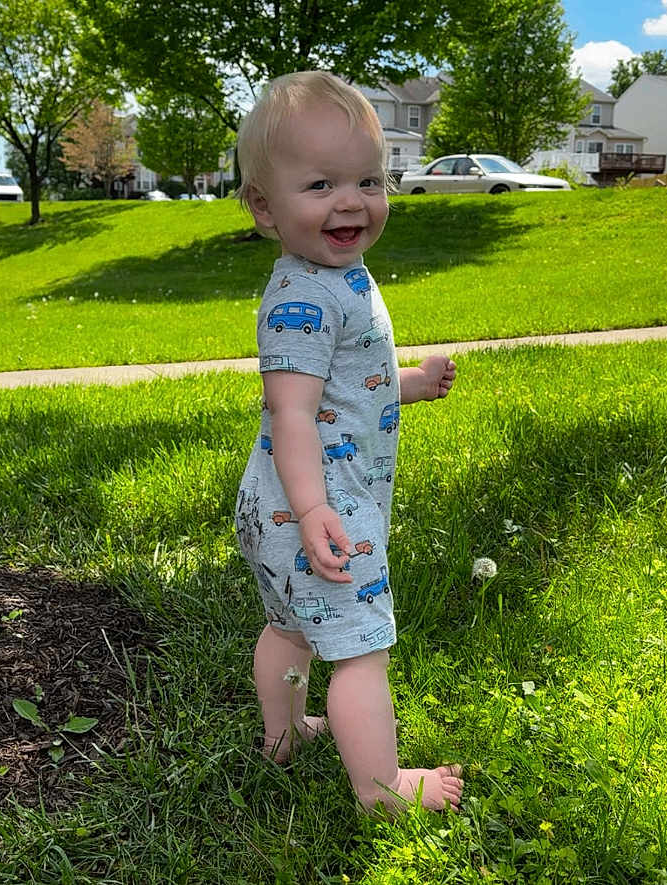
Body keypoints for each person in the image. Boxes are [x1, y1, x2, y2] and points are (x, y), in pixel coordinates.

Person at [234, 71, 462, 814]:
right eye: (321, 183)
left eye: (370, 178)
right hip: (320, 509)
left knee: (287, 628)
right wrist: (310, 511)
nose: (350, 200)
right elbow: (291, 411)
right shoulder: (302, 296)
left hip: (279, 507)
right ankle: (384, 789)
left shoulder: (335, 278)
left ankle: (284, 734)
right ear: (264, 207)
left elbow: (344, 386)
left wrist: (410, 382)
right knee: (361, 650)